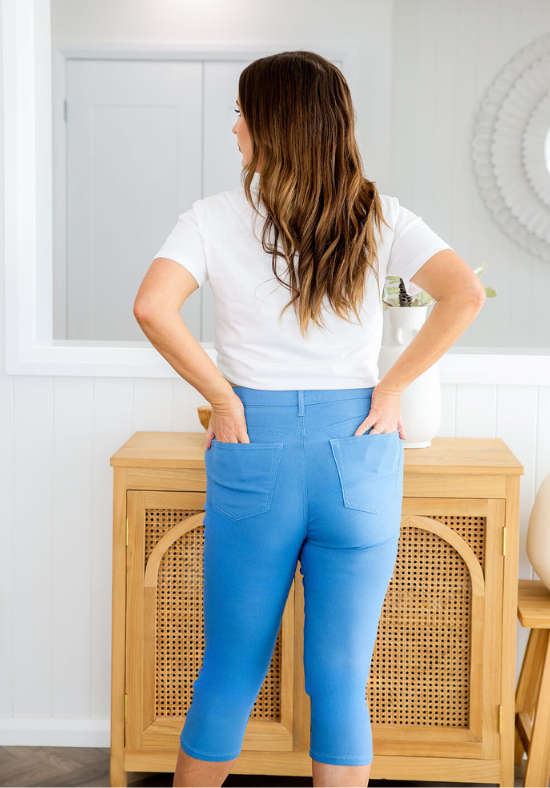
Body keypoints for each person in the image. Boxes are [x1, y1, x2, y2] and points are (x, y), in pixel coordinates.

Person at [134, 50, 485, 788]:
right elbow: (465, 293)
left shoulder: (211, 218)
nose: (233, 128)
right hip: (357, 451)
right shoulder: (380, 215)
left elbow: (152, 307)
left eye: (241, 113)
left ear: (274, 125)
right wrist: (391, 388)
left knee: (230, 669)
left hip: (252, 445)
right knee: (342, 680)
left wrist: (224, 398)